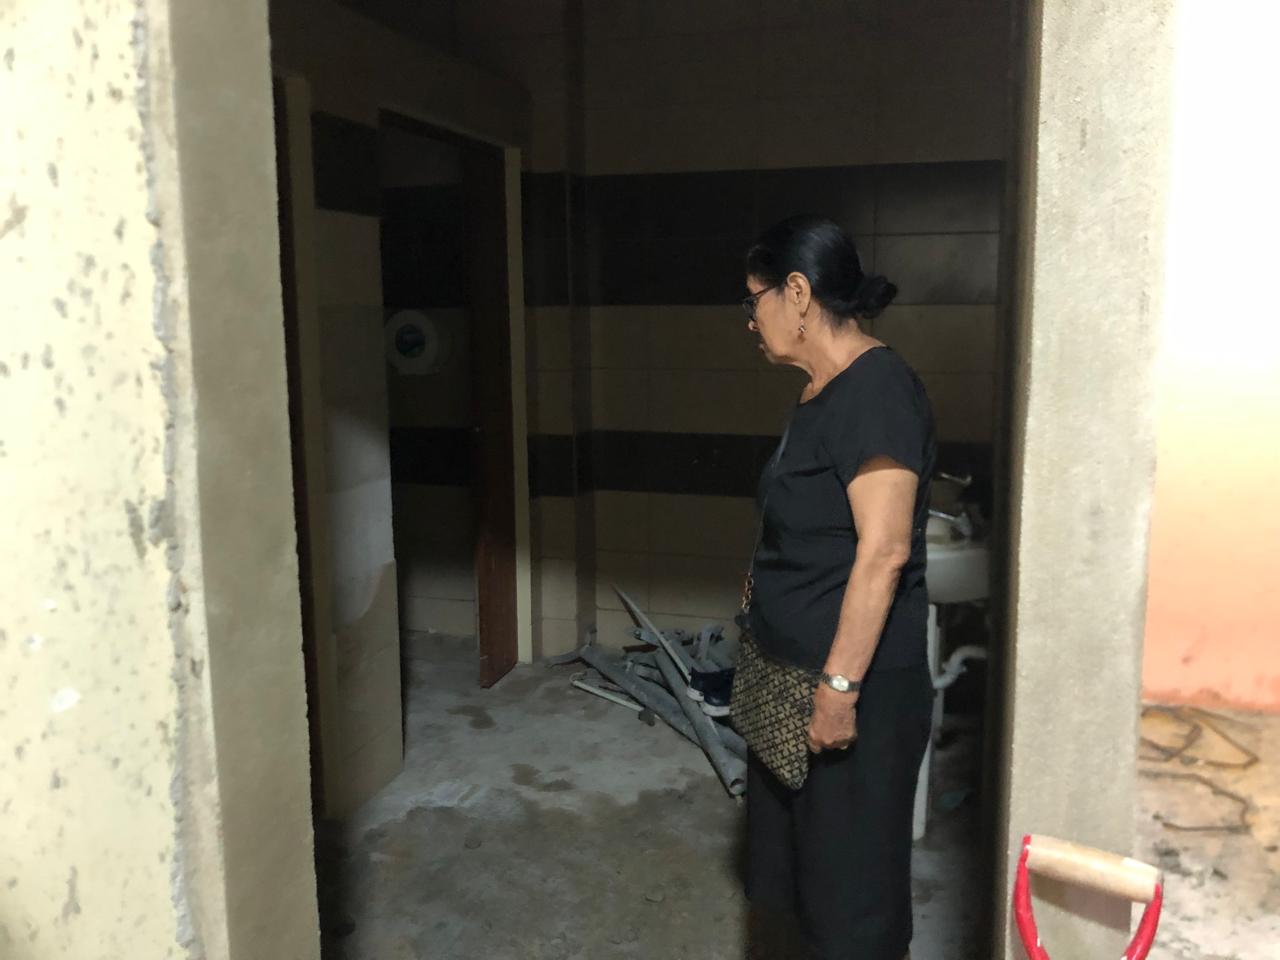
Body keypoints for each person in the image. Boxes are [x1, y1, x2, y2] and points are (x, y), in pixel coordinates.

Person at [740, 215, 936, 960]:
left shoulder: (877, 389)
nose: (749, 320)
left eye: (754, 300)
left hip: (848, 690)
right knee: (803, 879)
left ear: (797, 293)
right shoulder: (820, 390)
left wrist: (839, 689)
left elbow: (884, 552)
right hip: (787, 679)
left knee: (852, 897)